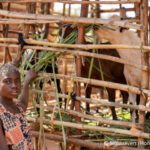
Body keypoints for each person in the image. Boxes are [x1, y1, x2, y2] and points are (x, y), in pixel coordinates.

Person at [0, 63, 37, 150]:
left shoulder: (16, 108)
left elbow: (23, 102)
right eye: (7, 81)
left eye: (17, 80)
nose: (14, 85)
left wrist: (27, 81)